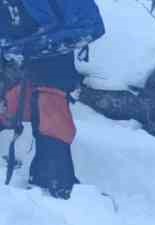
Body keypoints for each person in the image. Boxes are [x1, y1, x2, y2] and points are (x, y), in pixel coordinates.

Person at [0, 0, 104, 199]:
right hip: (15, 54)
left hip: (53, 54)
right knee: (10, 104)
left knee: (51, 111)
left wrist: (36, 45)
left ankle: (54, 181)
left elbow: (91, 26)